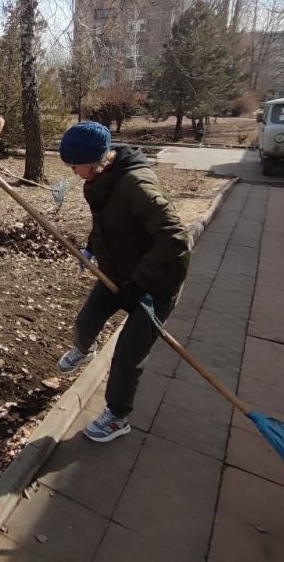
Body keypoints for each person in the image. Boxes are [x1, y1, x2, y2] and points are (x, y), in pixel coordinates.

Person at [56, 120, 190, 442]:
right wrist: (91, 248)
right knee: (86, 321)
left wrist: (141, 284)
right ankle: (83, 350)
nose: (73, 171)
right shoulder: (97, 179)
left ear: (96, 158)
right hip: (118, 273)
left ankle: (117, 416)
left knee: (128, 355)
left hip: (155, 286)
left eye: (75, 164)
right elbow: (105, 224)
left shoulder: (136, 186)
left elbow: (177, 241)